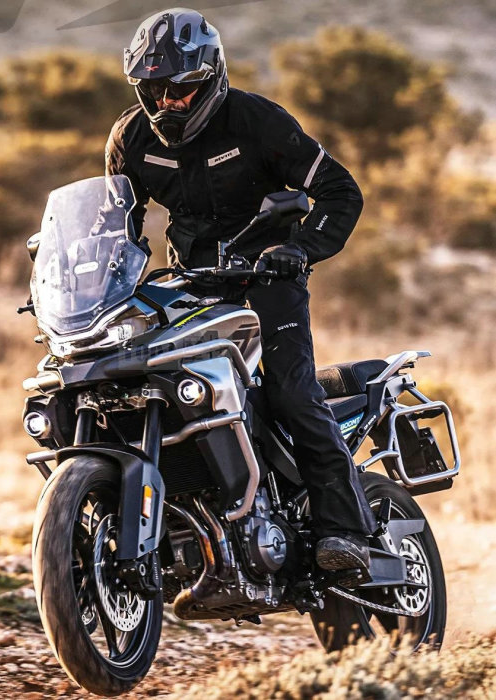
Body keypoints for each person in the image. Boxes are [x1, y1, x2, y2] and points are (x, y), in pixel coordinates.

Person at [105, 8, 377, 574]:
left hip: (268, 276)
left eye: (181, 88)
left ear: (211, 76)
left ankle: (347, 530)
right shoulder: (131, 137)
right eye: (153, 90)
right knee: (147, 388)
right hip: (190, 281)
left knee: (290, 390)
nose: (167, 102)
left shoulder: (257, 121)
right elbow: (112, 225)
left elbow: (340, 191)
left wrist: (301, 249)